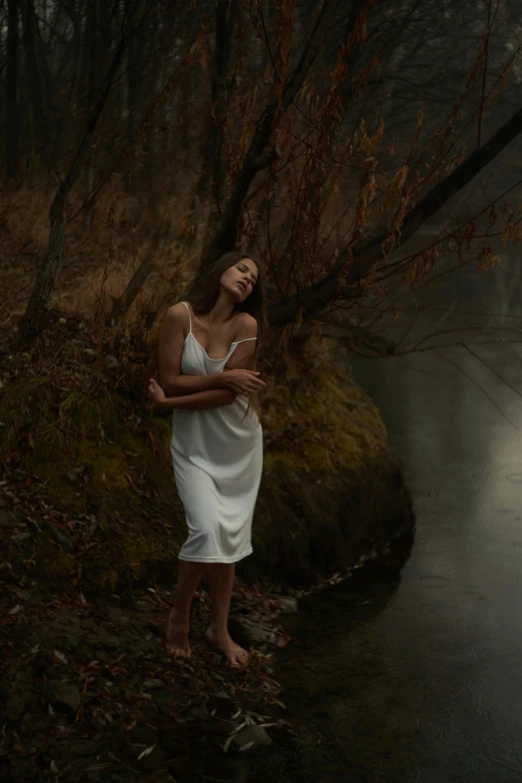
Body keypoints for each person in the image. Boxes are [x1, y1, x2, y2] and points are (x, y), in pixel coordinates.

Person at [147, 251, 267, 667]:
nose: (247, 280)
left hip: (237, 444)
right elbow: (168, 380)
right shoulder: (179, 315)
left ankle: (219, 628)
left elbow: (226, 395)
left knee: (228, 539)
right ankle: (179, 614)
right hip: (194, 443)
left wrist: (173, 402)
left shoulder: (245, 325)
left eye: (254, 279)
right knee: (204, 529)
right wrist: (223, 375)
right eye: (242, 270)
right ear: (221, 271)